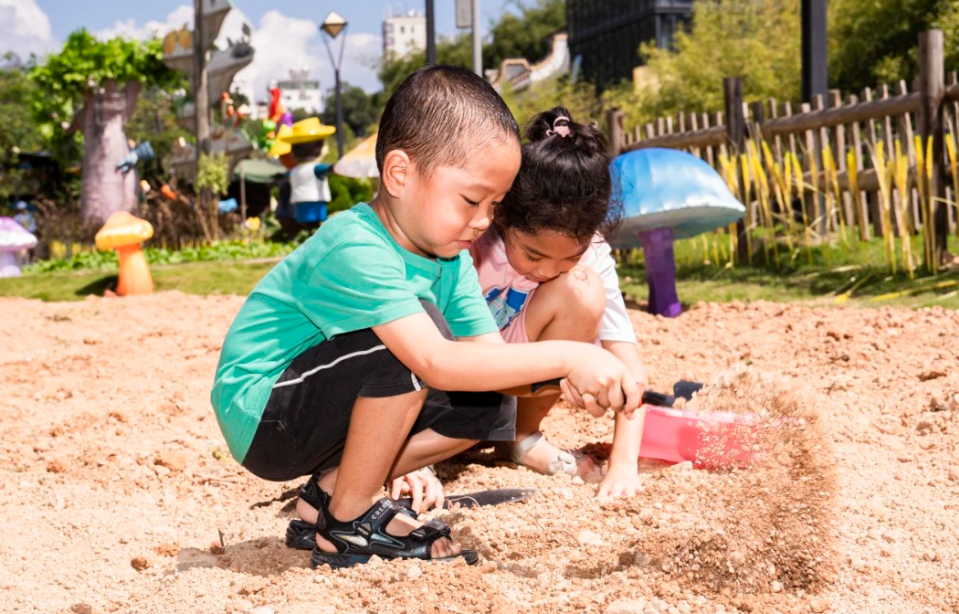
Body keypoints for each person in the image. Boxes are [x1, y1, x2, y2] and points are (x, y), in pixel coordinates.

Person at [210, 67, 642, 570]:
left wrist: (563, 376)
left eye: (495, 204)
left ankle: (328, 495)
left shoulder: (452, 259)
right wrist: (573, 353)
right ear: (399, 174)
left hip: (319, 410)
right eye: (471, 200)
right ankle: (350, 516)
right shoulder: (356, 245)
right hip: (266, 411)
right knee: (417, 344)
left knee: (491, 403)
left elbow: (492, 360)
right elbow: (434, 361)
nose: (484, 221)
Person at [470, 107, 649, 498]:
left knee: (582, 291)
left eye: (570, 256)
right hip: (451, 374)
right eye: (533, 256)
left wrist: (622, 464)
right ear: (502, 217)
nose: (549, 271)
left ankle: (518, 437)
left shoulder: (592, 255)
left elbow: (629, 367)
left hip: (513, 379)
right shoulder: (471, 239)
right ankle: (420, 452)